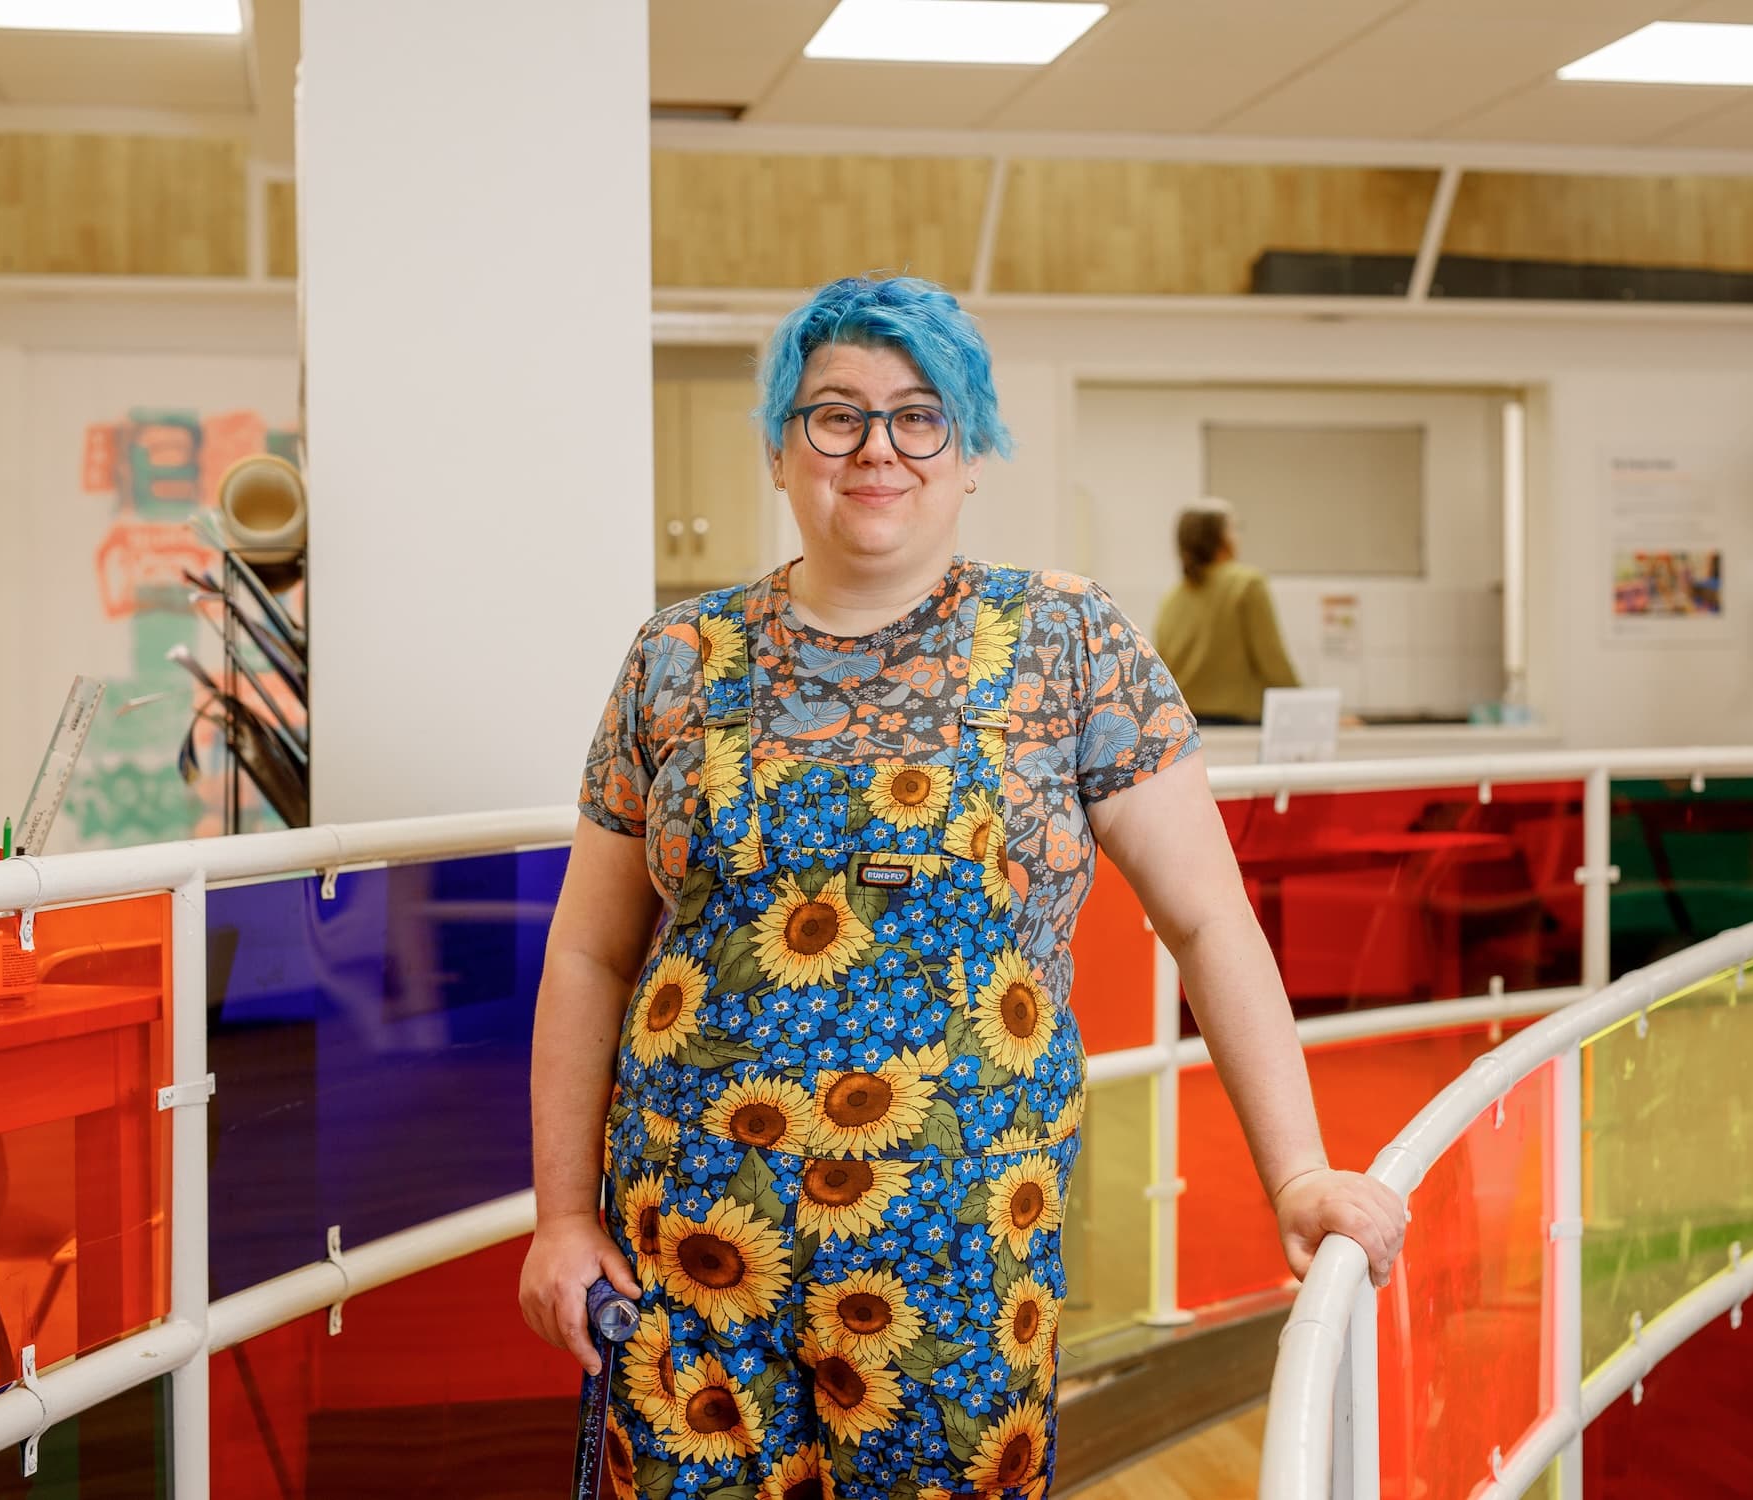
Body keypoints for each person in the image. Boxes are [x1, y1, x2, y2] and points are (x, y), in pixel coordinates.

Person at [519, 275, 1405, 1498]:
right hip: (688, 1247)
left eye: (918, 414)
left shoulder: (1068, 641)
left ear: (970, 451)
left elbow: (1206, 920)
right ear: (781, 449)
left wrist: (1295, 1170)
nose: (876, 446)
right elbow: (587, 955)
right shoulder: (674, 658)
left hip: (960, 1253)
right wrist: (561, 1217)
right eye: (833, 414)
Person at [1153, 499, 1300, 725]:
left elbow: (1160, 672)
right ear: (1222, 538)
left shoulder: (1172, 598)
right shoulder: (1247, 584)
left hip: (1183, 727)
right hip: (1238, 724)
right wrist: (1307, 708)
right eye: (1234, 528)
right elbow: (1273, 662)